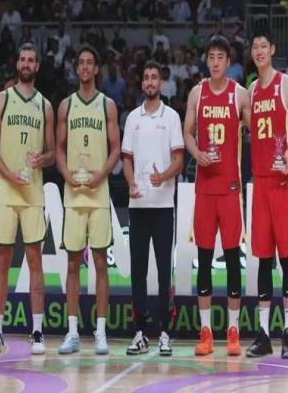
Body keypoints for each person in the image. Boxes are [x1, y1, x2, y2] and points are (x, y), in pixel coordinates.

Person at [0, 43, 55, 355]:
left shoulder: (45, 106)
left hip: (33, 191)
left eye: (31, 60)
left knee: (35, 260)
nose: (26, 64)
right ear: (17, 64)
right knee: (2, 260)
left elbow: (52, 154)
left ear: (37, 66)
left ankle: (37, 331)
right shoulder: (3, 98)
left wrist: (43, 159)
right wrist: (9, 174)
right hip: (7, 189)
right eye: (22, 59)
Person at [245, 30, 288, 359]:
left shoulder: (287, 84)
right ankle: (263, 334)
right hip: (260, 182)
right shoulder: (251, 91)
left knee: (286, 257)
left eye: (263, 46)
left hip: (283, 183)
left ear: (272, 49)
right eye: (254, 47)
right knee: (262, 258)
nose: (259, 51)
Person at [184, 35, 251, 357]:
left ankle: (233, 330)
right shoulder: (197, 92)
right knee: (205, 258)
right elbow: (187, 132)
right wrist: (196, 153)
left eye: (220, 57)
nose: (215, 62)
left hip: (230, 188)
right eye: (211, 56)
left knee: (233, 258)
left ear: (228, 61)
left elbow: (258, 130)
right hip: (205, 188)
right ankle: (206, 331)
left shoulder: (240, 94)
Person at [56, 45, 120, 355]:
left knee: (100, 263)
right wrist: (66, 173)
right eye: (80, 62)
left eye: (89, 63)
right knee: (72, 264)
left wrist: (101, 174)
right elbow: (58, 147)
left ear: (96, 69)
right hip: (73, 194)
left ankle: (100, 333)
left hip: (98, 193)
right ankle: (72, 333)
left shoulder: (107, 105)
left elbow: (116, 148)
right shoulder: (66, 105)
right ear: (77, 69)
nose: (84, 67)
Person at [122, 60, 184, 356]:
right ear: (142, 83)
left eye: (154, 77)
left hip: (162, 206)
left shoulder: (171, 117)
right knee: (137, 271)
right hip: (137, 206)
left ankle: (164, 332)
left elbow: (179, 160)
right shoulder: (132, 118)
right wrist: (131, 182)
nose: (149, 82)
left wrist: (164, 176)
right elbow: (126, 159)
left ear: (161, 83)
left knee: (163, 273)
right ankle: (139, 332)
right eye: (146, 77)